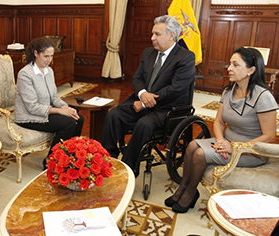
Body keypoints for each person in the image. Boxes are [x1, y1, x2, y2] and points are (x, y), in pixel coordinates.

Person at [165, 47, 278, 213]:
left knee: (200, 154)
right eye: (230, 64)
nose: (229, 68)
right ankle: (182, 188)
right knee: (191, 146)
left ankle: (190, 193)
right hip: (227, 142)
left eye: (235, 65)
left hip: (251, 151)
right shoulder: (229, 91)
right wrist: (221, 140)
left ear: (251, 70)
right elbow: (218, 121)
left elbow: (269, 137)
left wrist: (234, 147)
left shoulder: (263, 97)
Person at [101, 15, 195, 175]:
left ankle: (128, 168)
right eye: (152, 34)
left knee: (144, 124)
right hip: (142, 100)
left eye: (157, 34)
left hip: (168, 109)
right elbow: (137, 78)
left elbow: (176, 89)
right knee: (114, 115)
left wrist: (145, 103)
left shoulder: (185, 57)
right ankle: (107, 158)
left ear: (171, 35)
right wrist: (143, 94)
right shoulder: (148, 53)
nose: (152, 38)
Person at [14, 36, 84, 169]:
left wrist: (65, 107)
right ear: (36, 53)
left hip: (43, 112)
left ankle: (68, 157)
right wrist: (59, 111)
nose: (49, 60)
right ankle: (51, 162)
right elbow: (32, 107)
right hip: (28, 117)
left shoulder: (49, 71)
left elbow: (53, 96)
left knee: (78, 118)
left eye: (51, 56)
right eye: (46, 56)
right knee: (68, 123)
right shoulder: (25, 74)